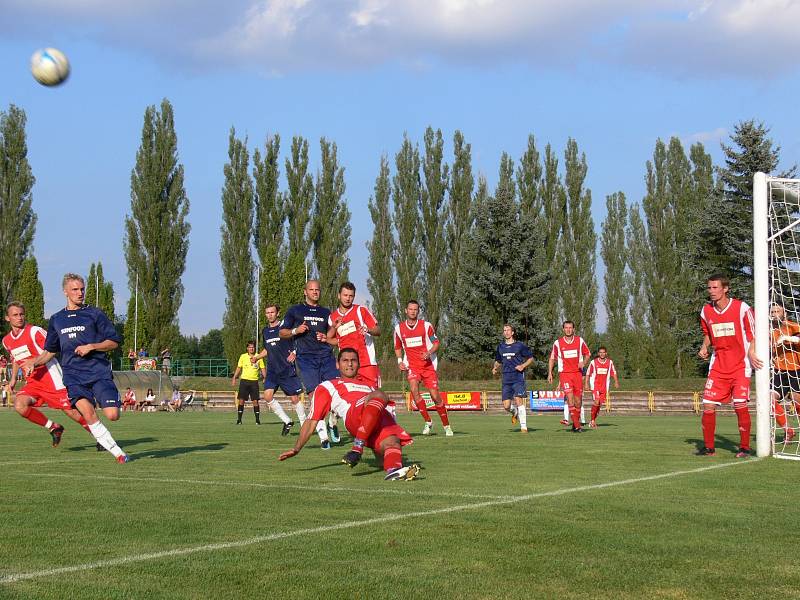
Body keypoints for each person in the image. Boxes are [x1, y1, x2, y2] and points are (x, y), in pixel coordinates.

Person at [22, 274, 129, 463]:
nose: (80, 293)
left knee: (112, 415)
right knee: (88, 414)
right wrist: (34, 362)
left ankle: (107, 406)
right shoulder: (57, 319)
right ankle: (118, 453)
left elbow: (113, 342)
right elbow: (49, 352)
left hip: (98, 372)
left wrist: (92, 346)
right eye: (75, 290)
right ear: (65, 292)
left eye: (82, 289)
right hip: (73, 376)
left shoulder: (95, 314)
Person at [278, 347, 419, 481]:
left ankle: (394, 471)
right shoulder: (327, 386)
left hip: (376, 420)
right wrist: (297, 449)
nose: (350, 364)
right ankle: (357, 448)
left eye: (353, 360)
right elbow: (312, 421)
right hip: (353, 416)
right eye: (345, 360)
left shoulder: (369, 386)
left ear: (358, 364)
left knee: (392, 443)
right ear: (337, 365)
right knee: (379, 394)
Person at [3, 301, 93, 446]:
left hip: (52, 378)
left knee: (72, 412)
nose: (19, 317)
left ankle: (99, 436)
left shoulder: (34, 332)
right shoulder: (6, 341)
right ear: (7, 318)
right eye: (15, 315)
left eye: (21, 314)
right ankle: (54, 427)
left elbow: (53, 349)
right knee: (20, 405)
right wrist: (13, 379)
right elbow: (15, 358)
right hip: (33, 382)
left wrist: (34, 361)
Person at [697, 273, 764, 457]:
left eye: (715, 287)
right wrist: (704, 347)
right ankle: (709, 448)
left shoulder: (742, 308)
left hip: (740, 365)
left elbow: (754, 332)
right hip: (718, 366)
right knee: (708, 405)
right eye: (709, 288)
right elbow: (708, 334)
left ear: (725, 288)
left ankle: (744, 447)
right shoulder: (705, 311)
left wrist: (751, 351)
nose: (711, 291)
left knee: (740, 405)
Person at [279, 280, 336, 448]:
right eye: (311, 290)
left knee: (336, 392)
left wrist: (328, 335)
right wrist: (296, 330)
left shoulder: (326, 312)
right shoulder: (295, 310)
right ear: (305, 292)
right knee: (315, 396)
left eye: (317, 289)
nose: (315, 292)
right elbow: (282, 332)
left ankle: (332, 422)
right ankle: (324, 437)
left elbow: (332, 333)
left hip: (326, 357)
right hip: (306, 359)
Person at [326, 281, 387, 434]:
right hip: (348, 365)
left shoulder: (361, 311)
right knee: (351, 397)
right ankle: (335, 415)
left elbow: (378, 330)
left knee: (374, 396)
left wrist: (368, 329)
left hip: (367, 363)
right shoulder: (332, 317)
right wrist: (330, 332)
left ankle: (368, 429)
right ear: (339, 295)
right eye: (345, 295)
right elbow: (333, 340)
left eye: (351, 296)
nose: (348, 298)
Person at [394, 300, 452, 436]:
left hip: (428, 366)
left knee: (435, 396)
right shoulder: (398, 328)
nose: (413, 311)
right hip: (412, 366)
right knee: (414, 390)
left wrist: (429, 352)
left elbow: (436, 343)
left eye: (415, 309)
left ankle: (446, 425)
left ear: (418, 311)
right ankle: (428, 421)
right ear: (405, 310)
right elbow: (397, 346)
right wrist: (399, 361)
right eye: (410, 309)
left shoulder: (426, 326)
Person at [251, 304, 306, 436]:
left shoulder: (284, 328)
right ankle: (287, 421)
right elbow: (267, 349)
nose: (270, 315)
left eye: (272, 312)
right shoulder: (265, 331)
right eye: (267, 312)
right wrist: (257, 357)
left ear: (277, 313)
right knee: (267, 396)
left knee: (294, 399)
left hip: (286, 369)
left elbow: (298, 342)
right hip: (272, 371)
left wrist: (294, 352)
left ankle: (304, 425)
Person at [548, 320, 591, 432]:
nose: (568, 329)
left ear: (573, 329)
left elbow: (588, 354)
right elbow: (552, 358)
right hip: (565, 374)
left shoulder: (579, 340)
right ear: (563, 329)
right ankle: (577, 426)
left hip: (577, 374)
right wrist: (550, 373)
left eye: (570, 327)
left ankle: (574, 424)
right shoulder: (558, 343)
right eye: (566, 327)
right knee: (570, 399)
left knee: (578, 402)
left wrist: (584, 363)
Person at [492, 324, 534, 433]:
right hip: (506, 378)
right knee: (506, 406)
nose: (506, 332)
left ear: (512, 332)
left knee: (518, 399)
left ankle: (523, 427)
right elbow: (498, 360)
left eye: (508, 330)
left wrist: (523, 366)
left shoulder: (519, 345)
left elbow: (530, 358)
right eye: (504, 330)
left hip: (518, 377)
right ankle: (514, 412)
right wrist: (495, 368)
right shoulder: (500, 347)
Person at [769, 303, 799, 441]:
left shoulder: (792, 326)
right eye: (772, 311)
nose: (775, 314)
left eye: (777, 311)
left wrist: (788, 338)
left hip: (795, 370)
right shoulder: (768, 331)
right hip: (778, 371)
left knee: (796, 400)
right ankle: (788, 430)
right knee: (769, 400)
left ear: (784, 314)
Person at [584, 346, 619, 429]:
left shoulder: (610, 362)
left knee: (598, 405)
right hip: (595, 385)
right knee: (596, 401)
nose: (602, 354)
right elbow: (588, 373)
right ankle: (592, 421)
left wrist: (616, 381)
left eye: (603, 352)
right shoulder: (593, 362)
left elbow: (613, 372)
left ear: (606, 353)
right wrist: (586, 384)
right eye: (600, 352)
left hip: (604, 387)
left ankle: (592, 420)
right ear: (598, 353)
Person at [231, 340, 265, 425]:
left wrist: (265, 377)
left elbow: (263, 369)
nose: (251, 348)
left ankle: (257, 420)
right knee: (241, 401)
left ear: (254, 348)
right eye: (250, 347)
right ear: (247, 348)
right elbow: (239, 368)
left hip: (254, 382)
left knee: (255, 401)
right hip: (244, 381)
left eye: (253, 347)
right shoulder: (243, 356)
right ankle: (239, 420)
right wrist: (234, 377)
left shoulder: (259, 356)